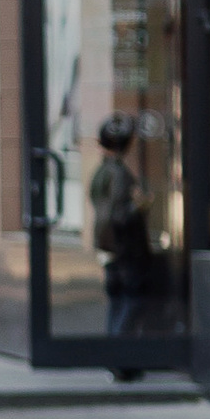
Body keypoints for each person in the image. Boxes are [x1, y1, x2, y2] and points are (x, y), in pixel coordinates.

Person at [86, 112, 149, 378]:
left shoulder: (100, 171)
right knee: (131, 301)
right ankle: (120, 357)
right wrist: (140, 205)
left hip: (108, 248)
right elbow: (120, 215)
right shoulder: (119, 174)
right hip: (125, 248)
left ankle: (116, 356)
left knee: (117, 301)